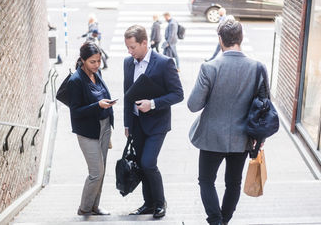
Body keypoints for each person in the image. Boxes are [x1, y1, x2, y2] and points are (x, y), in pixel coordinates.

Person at [187, 18, 268, 225]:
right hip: (242, 138)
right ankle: (224, 221)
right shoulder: (258, 68)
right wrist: (260, 139)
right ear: (240, 38)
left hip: (211, 137)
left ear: (221, 40)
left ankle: (215, 222)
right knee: (233, 183)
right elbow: (265, 107)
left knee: (206, 181)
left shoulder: (209, 68)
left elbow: (193, 105)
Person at [123, 25, 184, 219]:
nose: (129, 51)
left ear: (144, 43)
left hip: (157, 124)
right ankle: (148, 204)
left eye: (132, 47)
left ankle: (160, 202)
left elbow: (178, 94)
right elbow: (127, 95)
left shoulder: (164, 63)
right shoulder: (128, 62)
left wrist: (153, 104)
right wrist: (127, 123)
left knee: (148, 163)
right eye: (127, 47)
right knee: (141, 165)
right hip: (136, 124)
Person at [68, 42, 116, 216]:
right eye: (92, 62)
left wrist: (107, 108)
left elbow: (102, 95)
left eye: (98, 61)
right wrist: (98, 105)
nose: (96, 65)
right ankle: (84, 208)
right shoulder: (76, 81)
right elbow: (75, 112)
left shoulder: (98, 73)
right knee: (96, 172)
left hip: (104, 127)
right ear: (82, 60)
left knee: (102, 171)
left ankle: (95, 206)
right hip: (88, 132)